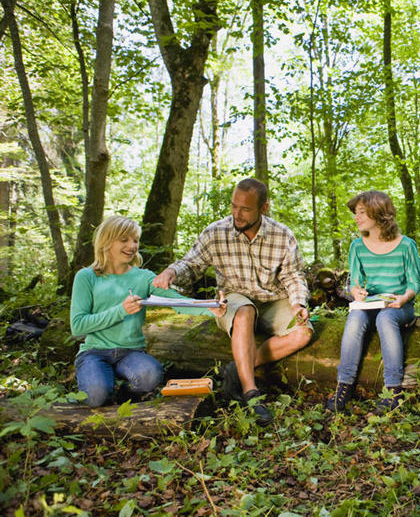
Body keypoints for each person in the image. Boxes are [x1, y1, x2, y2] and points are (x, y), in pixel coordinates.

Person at [153, 178, 312, 425]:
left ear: (264, 208)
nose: (237, 214)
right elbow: (191, 264)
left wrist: (298, 304)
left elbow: (293, 276)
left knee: (303, 333)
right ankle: (251, 392)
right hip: (236, 301)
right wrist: (171, 273)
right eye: (234, 206)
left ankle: (236, 369)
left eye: (245, 209)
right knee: (245, 311)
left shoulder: (282, 235)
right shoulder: (215, 232)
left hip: (273, 300)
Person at [70, 216, 226, 408]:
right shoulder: (87, 277)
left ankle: (124, 397)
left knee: (150, 375)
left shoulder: (143, 278)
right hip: (94, 353)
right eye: (124, 240)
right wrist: (121, 311)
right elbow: (78, 326)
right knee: (96, 397)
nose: (132, 246)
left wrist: (209, 308)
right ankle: (101, 388)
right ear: (107, 241)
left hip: (130, 353)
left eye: (135, 240)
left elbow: (175, 301)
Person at [325, 191, 420, 413]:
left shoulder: (406, 245)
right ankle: (344, 386)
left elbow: (414, 284)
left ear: (378, 214)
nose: (356, 217)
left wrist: (404, 298)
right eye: (355, 213)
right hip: (371, 304)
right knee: (356, 316)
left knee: (387, 318)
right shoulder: (357, 246)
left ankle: (393, 390)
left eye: (361, 212)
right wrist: (356, 292)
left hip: (399, 305)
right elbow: (355, 282)